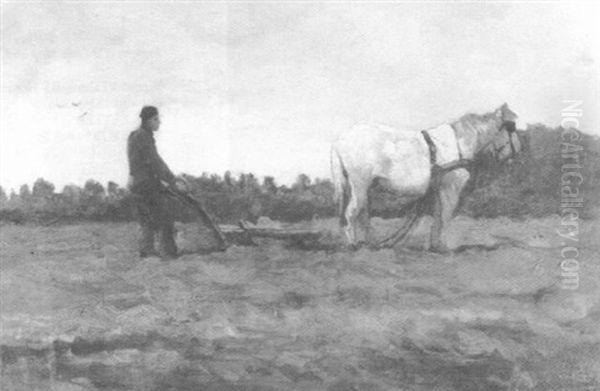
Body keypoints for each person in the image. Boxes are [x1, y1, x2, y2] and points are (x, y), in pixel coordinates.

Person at [127, 106, 184, 259]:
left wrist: (133, 178)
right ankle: (169, 253)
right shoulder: (144, 136)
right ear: (147, 120)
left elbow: (134, 163)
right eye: (156, 119)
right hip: (148, 184)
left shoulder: (133, 135)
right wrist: (172, 180)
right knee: (164, 216)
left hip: (137, 184)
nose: (159, 122)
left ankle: (147, 252)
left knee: (145, 220)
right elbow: (154, 161)